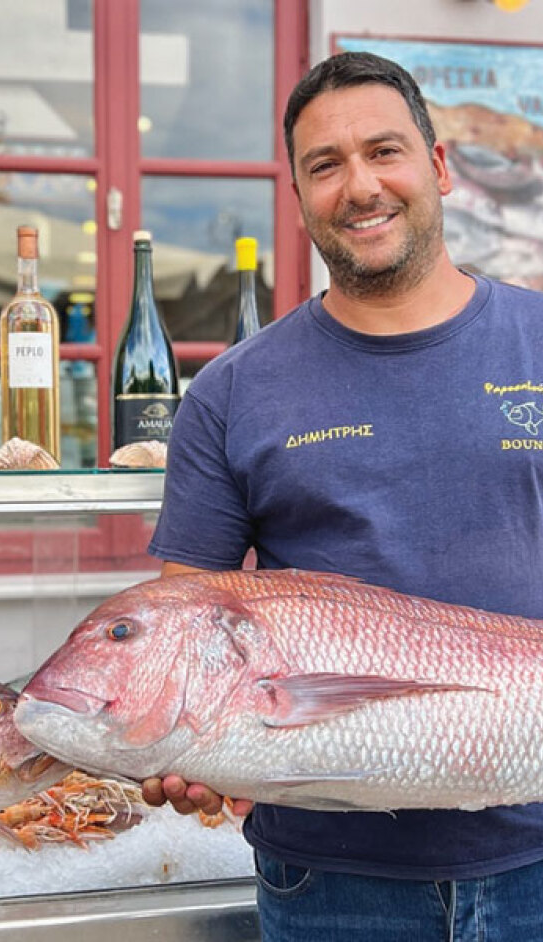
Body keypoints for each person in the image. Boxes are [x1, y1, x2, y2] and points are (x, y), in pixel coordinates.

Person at [144, 50, 543, 941]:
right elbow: (182, 629)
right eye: (325, 165)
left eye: (384, 152)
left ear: (438, 166)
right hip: (332, 882)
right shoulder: (233, 392)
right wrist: (179, 742)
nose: (360, 186)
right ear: (298, 199)